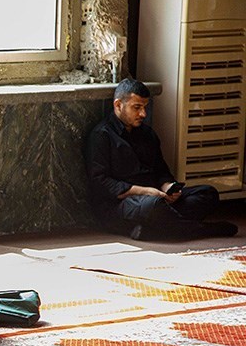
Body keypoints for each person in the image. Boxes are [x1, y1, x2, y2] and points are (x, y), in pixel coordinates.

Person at [84, 78, 238, 241]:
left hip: (156, 198)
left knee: (208, 194)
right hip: (121, 206)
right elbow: (100, 183)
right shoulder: (102, 135)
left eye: (145, 107)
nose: (143, 114)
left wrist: (168, 187)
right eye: (137, 108)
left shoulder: (147, 134)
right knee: (153, 206)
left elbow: (161, 170)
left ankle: (151, 230)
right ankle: (202, 230)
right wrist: (145, 192)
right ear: (118, 105)